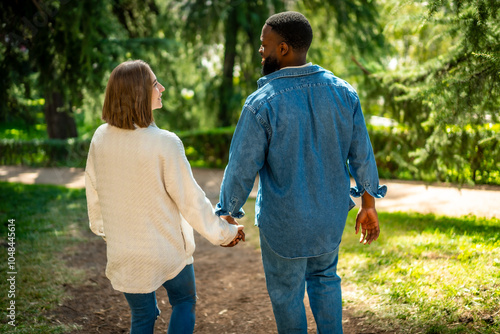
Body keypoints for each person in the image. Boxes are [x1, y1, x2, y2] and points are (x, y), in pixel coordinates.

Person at [215, 11, 387, 333]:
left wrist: (227, 212)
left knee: (286, 293)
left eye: (264, 45)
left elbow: (240, 167)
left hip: (284, 223)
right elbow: (362, 155)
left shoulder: (261, 103)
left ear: (283, 49)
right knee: (325, 280)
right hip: (328, 219)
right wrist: (368, 205)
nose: (261, 51)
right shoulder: (343, 92)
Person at [85, 59, 244, 334]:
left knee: (142, 316)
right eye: (155, 84)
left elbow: (94, 190)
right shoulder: (165, 143)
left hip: (125, 252)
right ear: (138, 93)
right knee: (184, 302)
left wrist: (105, 231)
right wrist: (225, 233)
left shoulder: (100, 138)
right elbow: (191, 201)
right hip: (166, 251)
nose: (162, 88)